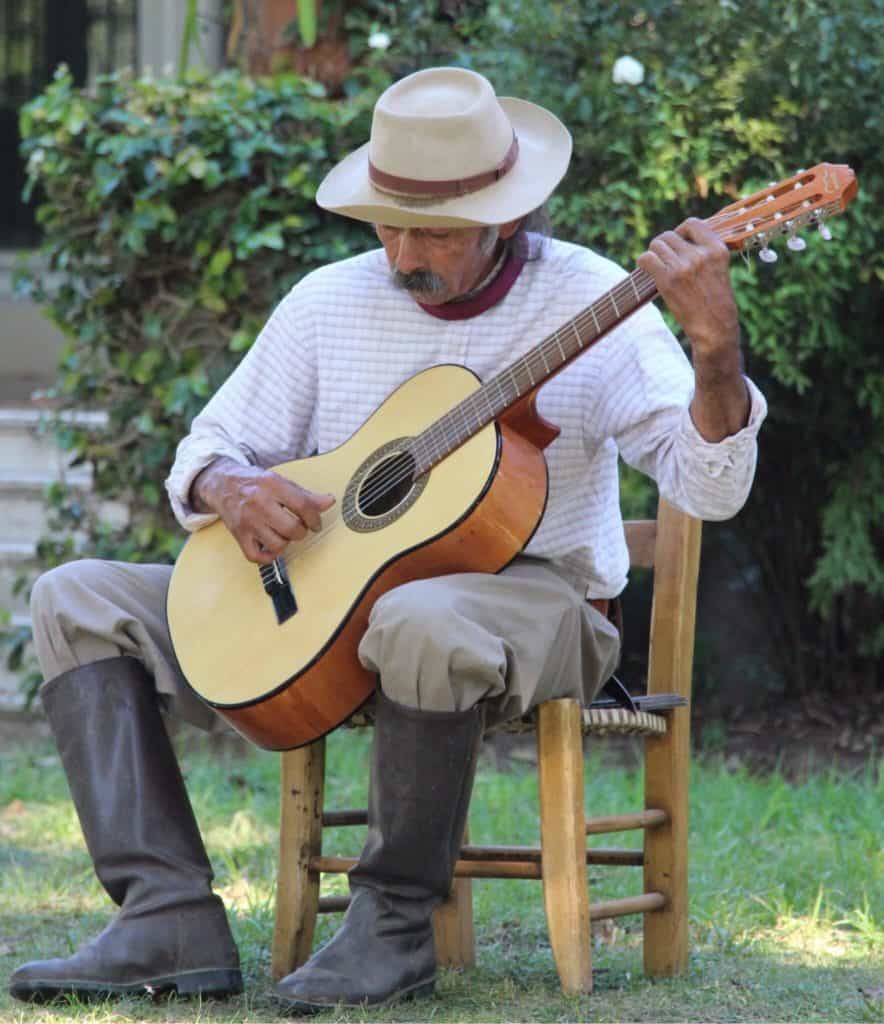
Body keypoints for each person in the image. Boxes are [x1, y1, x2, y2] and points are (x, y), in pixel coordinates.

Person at [9, 66, 766, 1011]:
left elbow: (711, 488)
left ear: (502, 216)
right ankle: (164, 915)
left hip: (539, 605)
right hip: (339, 603)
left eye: (435, 233)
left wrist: (718, 355)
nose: (404, 254)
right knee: (74, 595)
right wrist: (227, 485)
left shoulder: (595, 303)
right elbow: (208, 443)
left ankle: (394, 924)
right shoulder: (330, 300)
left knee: (419, 616)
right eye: (387, 223)